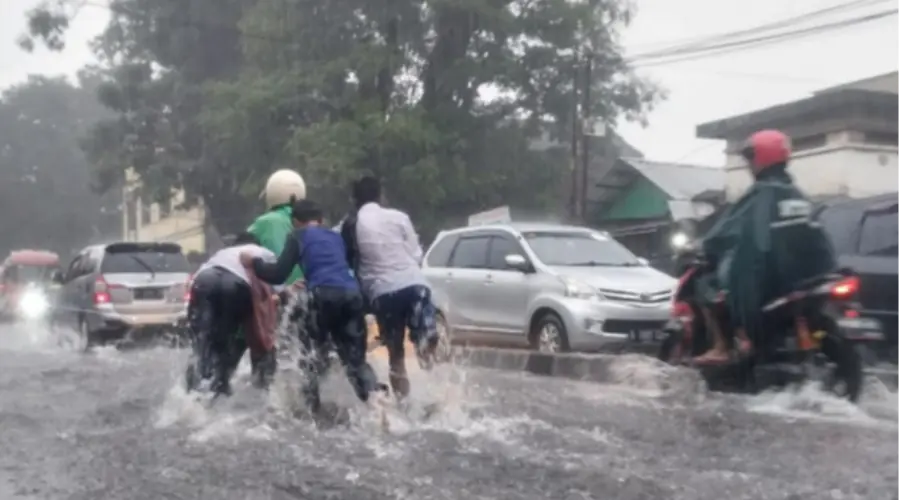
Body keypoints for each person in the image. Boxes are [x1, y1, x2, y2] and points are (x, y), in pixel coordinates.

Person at [693, 129, 838, 365]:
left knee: (706, 285)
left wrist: (707, 247)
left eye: (750, 158)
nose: (749, 164)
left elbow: (723, 231)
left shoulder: (759, 195)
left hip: (767, 279)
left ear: (760, 157)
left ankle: (722, 346)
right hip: (805, 277)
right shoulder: (797, 194)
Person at [241, 199, 386, 416]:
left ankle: (313, 413)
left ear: (295, 222)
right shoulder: (336, 238)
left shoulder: (297, 236)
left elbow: (278, 273)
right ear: (321, 220)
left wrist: (254, 263)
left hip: (322, 298)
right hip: (352, 295)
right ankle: (378, 401)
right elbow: (339, 268)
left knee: (310, 355)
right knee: (355, 362)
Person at [347, 176, 439, 398]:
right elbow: (416, 255)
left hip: (382, 294)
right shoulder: (399, 217)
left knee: (395, 355)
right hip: (415, 286)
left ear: (354, 200)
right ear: (381, 195)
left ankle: (403, 405)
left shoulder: (350, 224)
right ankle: (433, 378)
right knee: (427, 340)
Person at [186, 232, 277, 396]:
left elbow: (194, 282)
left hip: (204, 282)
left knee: (202, 341)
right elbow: (276, 284)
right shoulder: (263, 252)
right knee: (227, 338)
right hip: (235, 285)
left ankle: (194, 391)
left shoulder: (220, 254)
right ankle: (223, 387)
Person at [245, 169, 308, 382]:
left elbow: (242, 249)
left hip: (275, 299)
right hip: (308, 295)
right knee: (303, 350)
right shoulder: (310, 222)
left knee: (269, 349)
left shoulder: (261, 223)